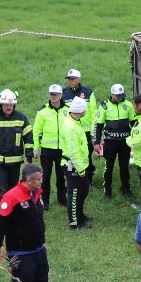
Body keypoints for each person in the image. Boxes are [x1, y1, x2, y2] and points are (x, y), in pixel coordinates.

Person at [0, 164, 59, 282]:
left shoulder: (36, 194)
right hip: (18, 252)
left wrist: (42, 242)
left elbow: (38, 221)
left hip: (37, 250)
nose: (42, 181)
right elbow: (1, 225)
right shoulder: (11, 197)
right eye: (39, 179)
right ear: (29, 180)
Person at [0, 89, 33, 210]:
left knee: (14, 187)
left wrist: (28, 156)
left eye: (11, 104)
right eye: (6, 104)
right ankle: (0, 213)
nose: (9, 107)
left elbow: (29, 138)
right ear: (0, 104)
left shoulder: (21, 118)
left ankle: (13, 211)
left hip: (15, 162)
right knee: (0, 187)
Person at [94, 83, 136, 198]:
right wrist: (96, 143)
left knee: (124, 167)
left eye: (121, 95)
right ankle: (107, 190)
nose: (120, 97)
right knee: (109, 167)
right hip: (110, 143)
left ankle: (126, 189)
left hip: (124, 142)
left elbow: (133, 123)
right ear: (111, 94)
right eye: (117, 95)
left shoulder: (128, 105)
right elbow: (98, 126)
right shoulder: (104, 107)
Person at [33, 84, 68, 208]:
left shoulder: (68, 110)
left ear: (61, 95)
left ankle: (62, 199)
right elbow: (36, 130)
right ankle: (45, 201)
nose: (53, 96)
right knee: (45, 176)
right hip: (47, 150)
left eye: (56, 94)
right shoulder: (43, 111)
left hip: (62, 150)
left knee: (61, 175)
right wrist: (36, 148)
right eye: (51, 94)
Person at [61, 69, 97, 182]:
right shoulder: (63, 93)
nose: (70, 81)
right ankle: (71, 179)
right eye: (69, 79)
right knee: (71, 154)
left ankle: (88, 178)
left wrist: (93, 133)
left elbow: (94, 114)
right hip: (70, 129)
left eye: (73, 79)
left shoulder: (88, 92)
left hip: (85, 131)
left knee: (86, 156)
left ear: (79, 79)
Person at [60, 97, 90, 229]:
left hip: (79, 165)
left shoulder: (75, 121)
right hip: (74, 166)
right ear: (81, 110)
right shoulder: (71, 126)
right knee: (74, 194)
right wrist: (81, 170)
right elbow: (73, 152)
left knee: (83, 191)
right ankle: (74, 223)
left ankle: (80, 216)